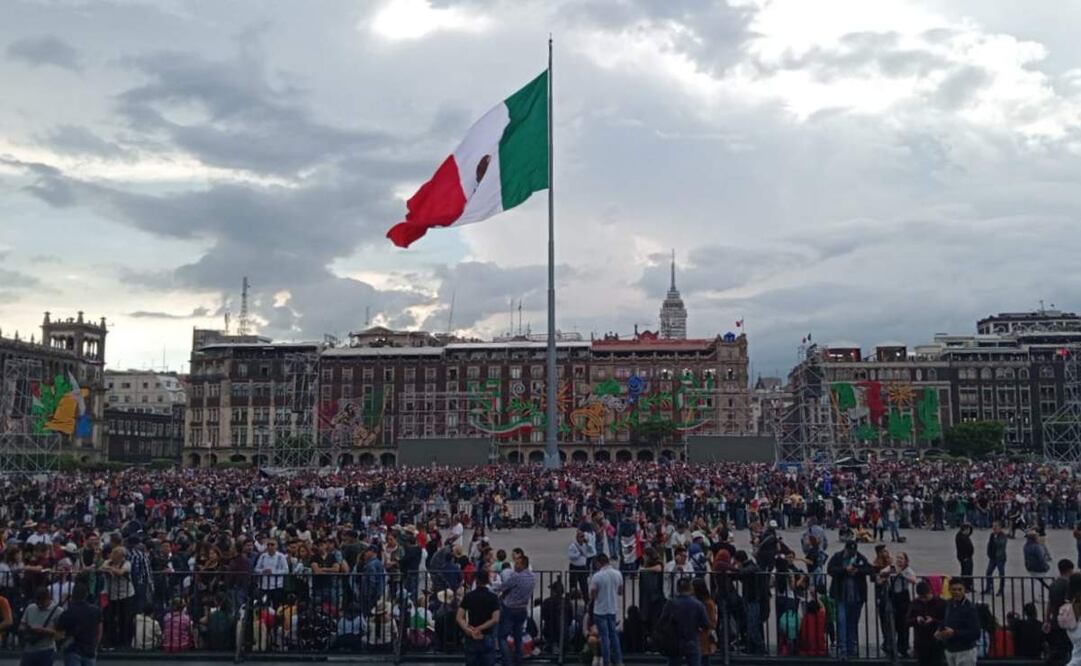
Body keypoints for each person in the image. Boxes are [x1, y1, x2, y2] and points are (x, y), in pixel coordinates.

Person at [827, 540, 874, 659]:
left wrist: (858, 570)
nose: (852, 553)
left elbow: (869, 569)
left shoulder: (860, 558)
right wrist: (844, 570)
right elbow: (830, 570)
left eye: (854, 551)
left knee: (853, 623)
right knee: (842, 622)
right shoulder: (838, 557)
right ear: (846, 549)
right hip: (841, 596)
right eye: (850, 551)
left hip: (857, 597)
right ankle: (843, 648)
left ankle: (851, 647)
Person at [657, 577, 709, 666]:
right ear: (690, 588)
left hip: (675, 641)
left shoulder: (671, 603)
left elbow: (662, 621)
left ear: (678, 589)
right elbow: (705, 623)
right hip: (692, 639)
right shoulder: (698, 604)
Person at [498, 554, 535, 666]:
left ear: (523, 565)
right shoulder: (532, 577)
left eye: (518, 563)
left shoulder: (517, 577)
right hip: (522, 608)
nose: (515, 566)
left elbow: (503, 587)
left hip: (510, 608)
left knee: (502, 637)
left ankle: (507, 661)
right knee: (518, 636)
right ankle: (519, 659)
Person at [457, 569, 500, 666]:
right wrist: (480, 628)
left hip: (471, 634)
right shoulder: (493, 597)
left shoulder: (469, 596)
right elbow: (495, 619)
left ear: (476, 581)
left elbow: (459, 617)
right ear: (488, 580)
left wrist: (467, 628)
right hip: (487, 634)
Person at [934, 579, 980, 666]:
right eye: (954, 589)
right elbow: (943, 620)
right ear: (949, 590)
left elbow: (976, 633)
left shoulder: (970, 608)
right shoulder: (948, 604)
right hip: (950, 650)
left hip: (965, 651)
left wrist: (954, 633)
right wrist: (939, 630)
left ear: (964, 590)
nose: (957, 592)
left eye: (959, 589)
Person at [55, 582, 102, 666]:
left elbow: (58, 636)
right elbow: (99, 631)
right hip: (89, 648)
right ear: (86, 595)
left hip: (73, 649)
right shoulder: (95, 611)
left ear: (73, 595)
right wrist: (95, 646)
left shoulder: (67, 613)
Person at [589, 554, 623, 666]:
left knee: (604, 637)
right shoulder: (617, 574)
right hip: (612, 608)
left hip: (600, 609)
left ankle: (606, 661)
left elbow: (593, 593)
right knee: (613, 635)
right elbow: (620, 591)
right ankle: (618, 661)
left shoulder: (597, 576)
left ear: (599, 563)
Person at [18, 586, 62, 666]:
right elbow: (22, 625)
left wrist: (44, 630)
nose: (39, 605)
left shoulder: (58, 611)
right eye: (37, 602)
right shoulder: (31, 608)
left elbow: (60, 634)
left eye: (42, 602)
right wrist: (26, 630)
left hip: (46, 649)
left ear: (48, 598)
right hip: (29, 649)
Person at [907, 580, 946, 666]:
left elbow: (946, 621)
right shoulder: (915, 603)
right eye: (921, 597)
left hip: (936, 642)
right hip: (921, 642)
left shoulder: (941, 603)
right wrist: (916, 620)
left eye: (925, 597)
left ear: (930, 592)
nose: (924, 600)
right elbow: (907, 621)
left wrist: (934, 621)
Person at [1049, 559, 1076, 666]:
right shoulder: (1069, 584)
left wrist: (1047, 620)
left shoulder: (1053, 584)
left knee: (1059, 648)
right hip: (1067, 622)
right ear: (1069, 570)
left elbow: (1050, 604)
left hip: (1056, 620)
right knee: (1068, 649)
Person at [254, 539, 289, 605]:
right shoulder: (263, 556)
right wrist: (263, 571)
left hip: (277, 585)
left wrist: (273, 572)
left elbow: (286, 570)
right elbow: (256, 569)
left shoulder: (281, 557)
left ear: (276, 546)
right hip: (264, 585)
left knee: (276, 604)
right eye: (268, 545)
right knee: (263, 605)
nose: (270, 547)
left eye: (272, 545)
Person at [691, 578, 717, 666]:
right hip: (699, 636)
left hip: (704, 635)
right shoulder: (699, 602)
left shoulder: (707, 603)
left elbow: (712, 620)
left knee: (703, 659)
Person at [983, 522, 1007, 596]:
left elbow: (1001, 544)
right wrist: (988, 553)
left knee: (1001, 574)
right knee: (988, 573)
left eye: (996, 526)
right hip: (992, 557)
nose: (994, 528)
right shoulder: (992, 535)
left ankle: (1001, 590)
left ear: (1000, 527)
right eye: (993, 526)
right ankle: (988, 588)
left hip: (1000, 558)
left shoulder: (1003, 535)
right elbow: (989, 544)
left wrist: (996, 538)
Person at [568, 530, 594, 600]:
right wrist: (579, 553)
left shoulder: (585, 545)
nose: (582, 539)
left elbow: (591, 551)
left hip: (583, 567)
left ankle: (586, 598)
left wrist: (588, 544)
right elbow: (571, 556)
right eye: (580, 537)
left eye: (583, 537)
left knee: (584, 584)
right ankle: (573, 598)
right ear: (577, 538)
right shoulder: (573, 546)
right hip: (574, 566)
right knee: (573, 584)